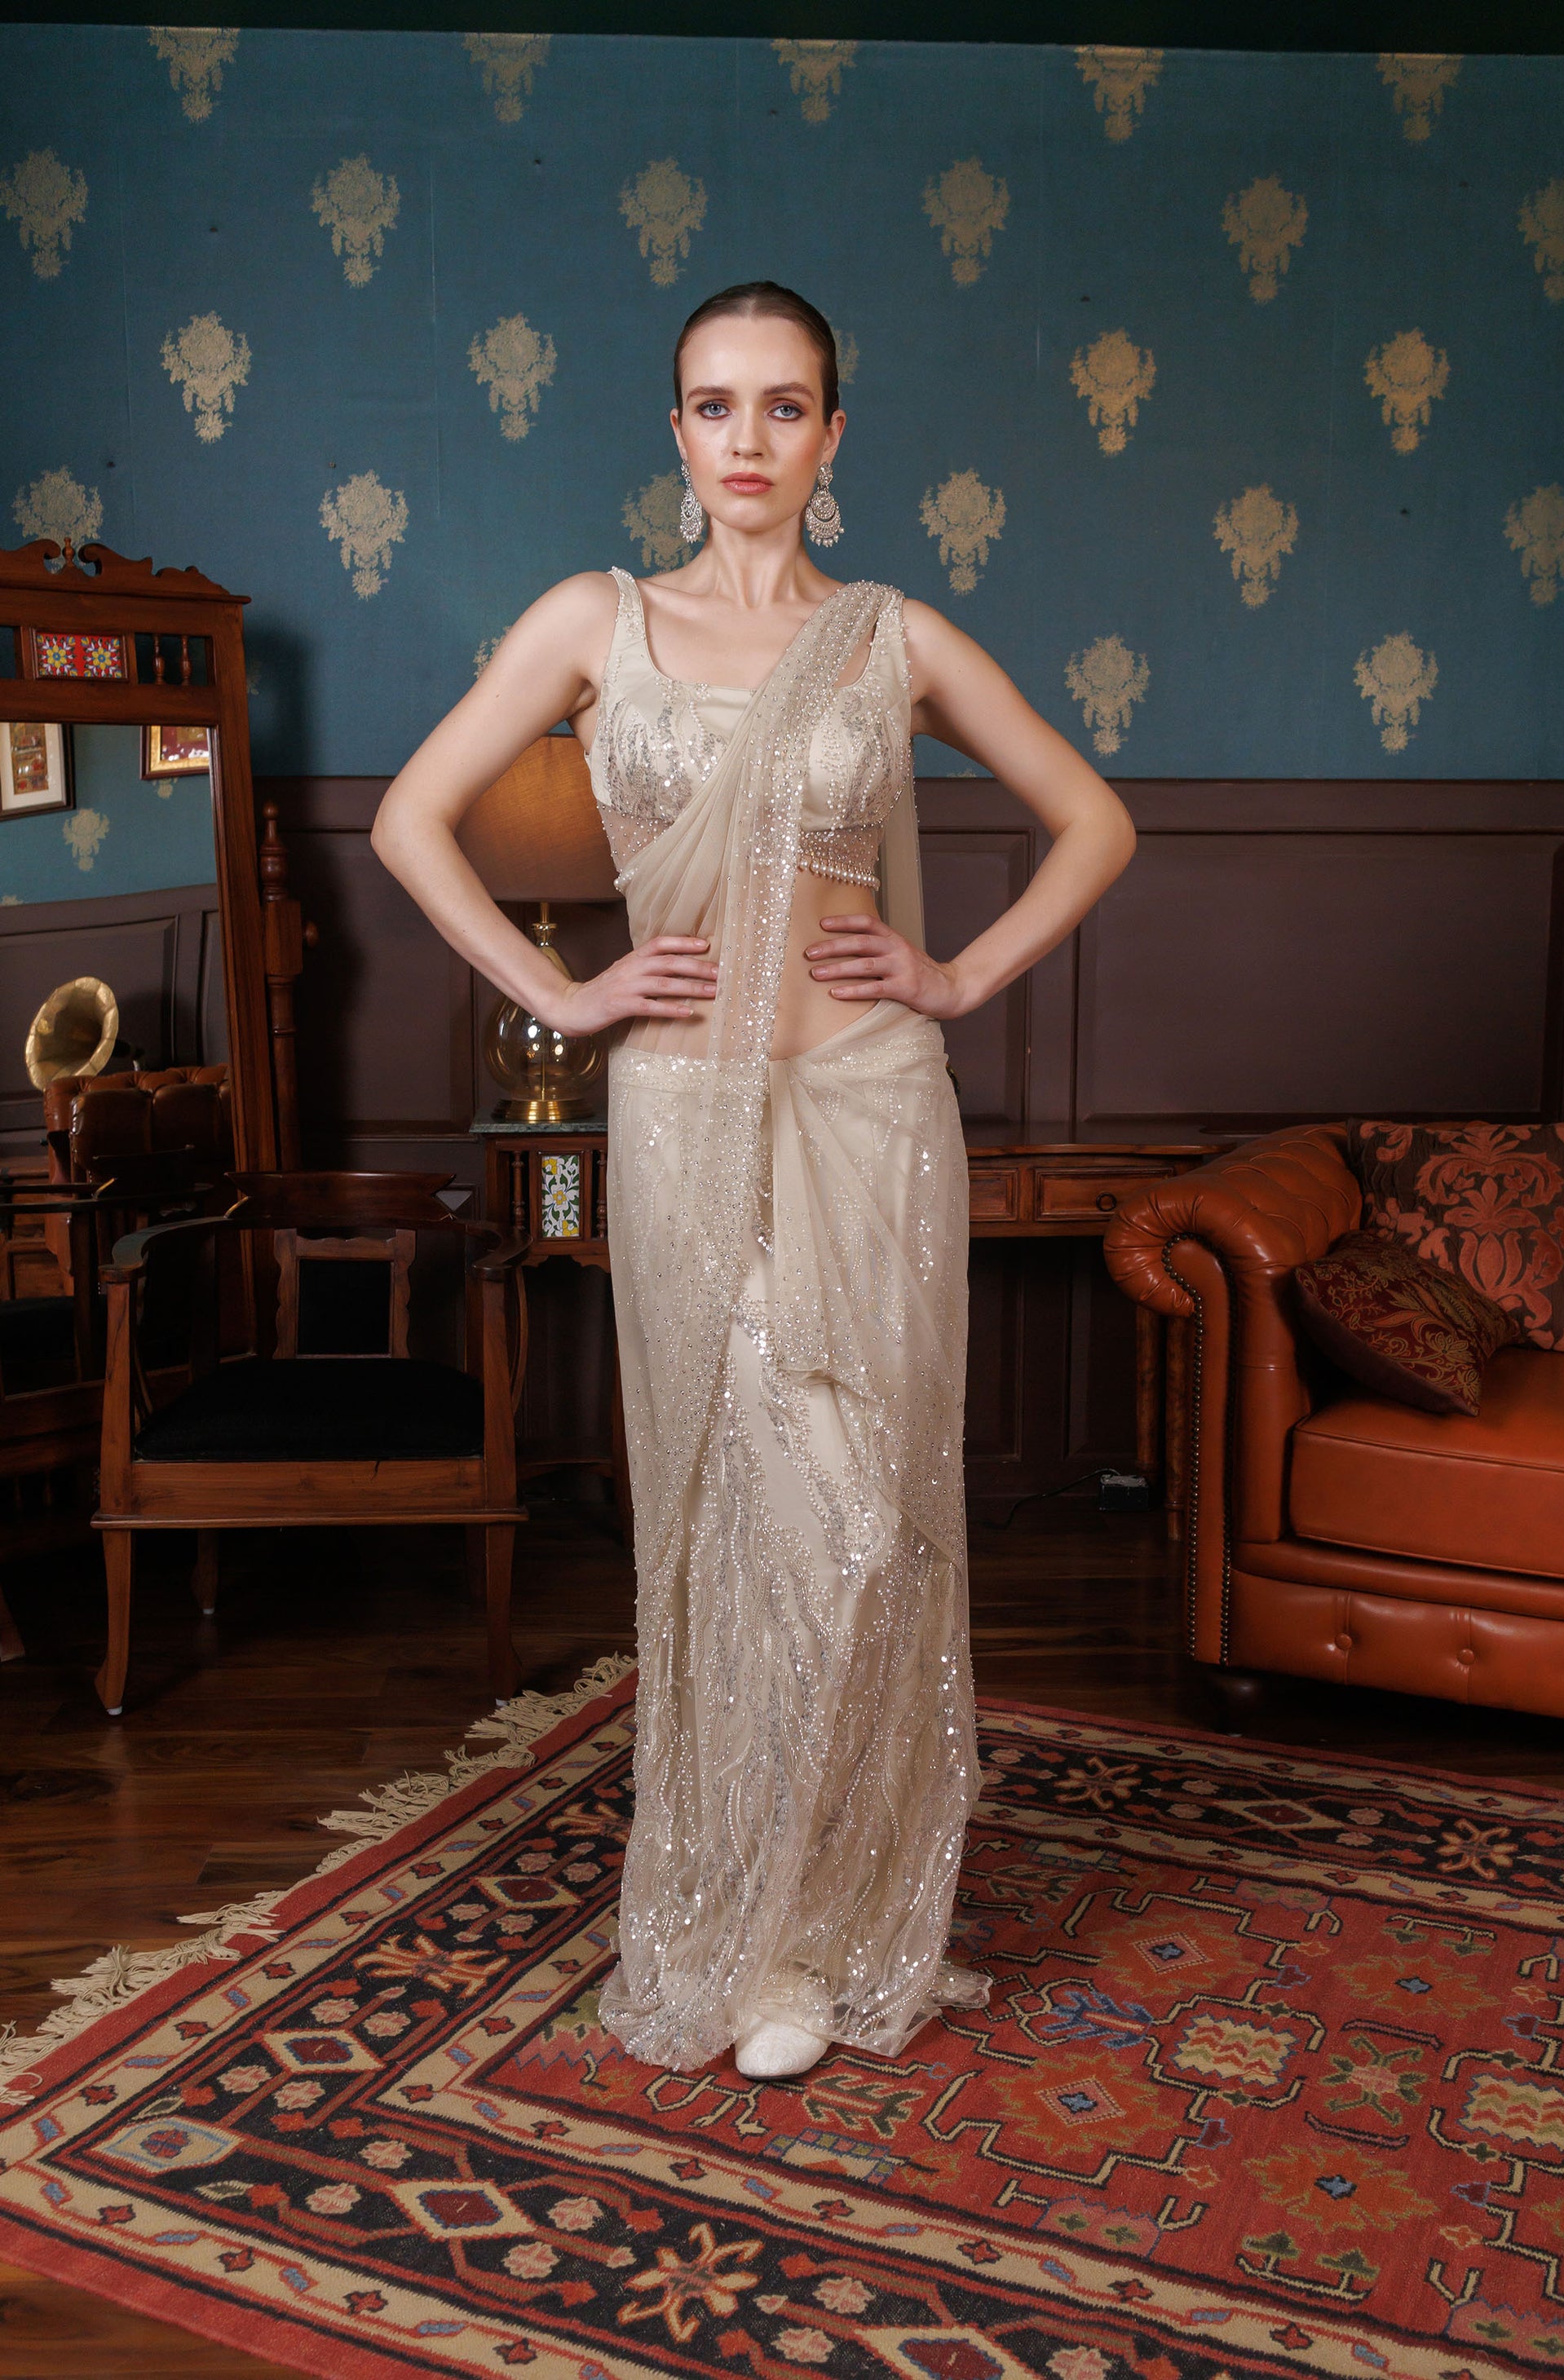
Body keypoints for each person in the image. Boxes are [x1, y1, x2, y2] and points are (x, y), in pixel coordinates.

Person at [371, 280, 1136, 2082]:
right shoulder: (596, 620)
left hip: (870, 1104)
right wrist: (565, 994)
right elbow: (409, 818)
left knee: (870, 1522)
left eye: (783, 406)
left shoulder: (891, 638)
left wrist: (955, 974)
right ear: (675, 431)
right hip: (684, 1112)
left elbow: (1095, 819)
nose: (746, 439)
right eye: (714, 405)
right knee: (738, 1510)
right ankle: (743, 1921)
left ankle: (830, 1927)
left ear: (832, 435)